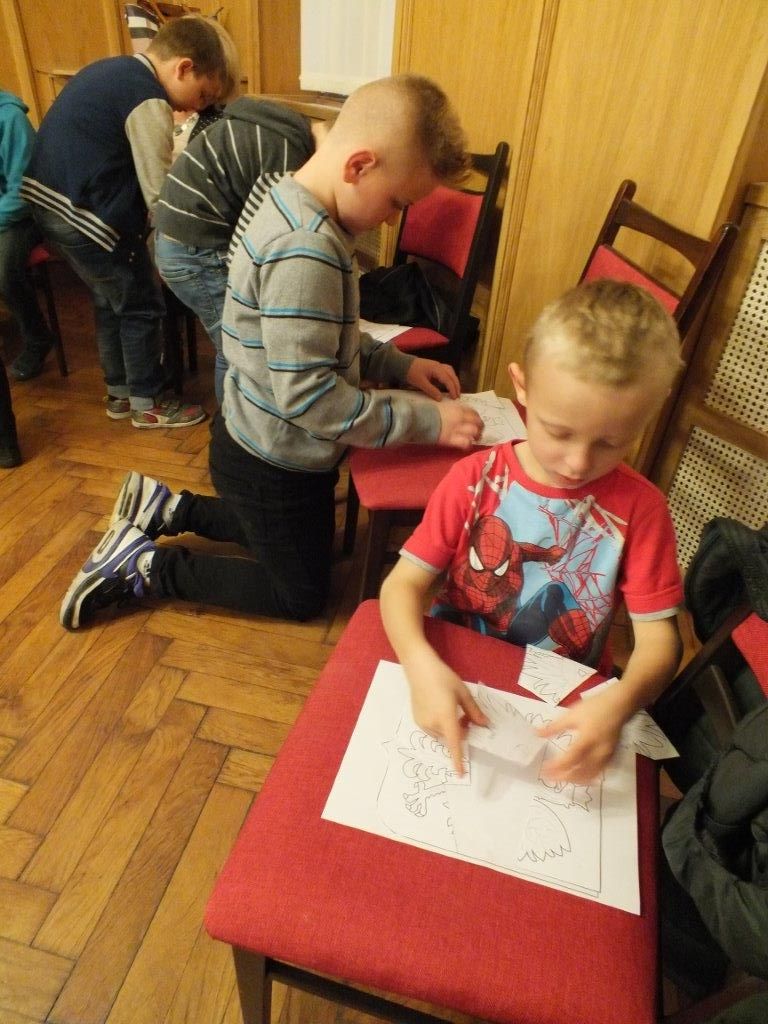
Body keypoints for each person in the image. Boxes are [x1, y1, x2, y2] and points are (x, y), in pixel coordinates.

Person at [59, 73, 484, 630]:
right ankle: (145, 566)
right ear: (359, 166)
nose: (389, 219)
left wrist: (397, 363)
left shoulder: (289, 194)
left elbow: (325, 335)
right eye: (395, 203)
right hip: (272, 459)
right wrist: (428, 422)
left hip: (262, 441)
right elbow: (311, 398)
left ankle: (168, 508)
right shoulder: (306, 249)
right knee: (300, 593)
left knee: (287, 538)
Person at [379, 279, 685, 783]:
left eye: (612, 442)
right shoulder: (473, 480)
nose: (578, 462)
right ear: (521, 386)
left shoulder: (643, 510)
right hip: (456, 669)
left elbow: (660, 643)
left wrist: (621, 702)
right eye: (558, 432)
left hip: (562, 701)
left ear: (651, 412)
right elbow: (400, 587)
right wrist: (418, 662)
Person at [19, 16, 237, 428]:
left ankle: (120, 392)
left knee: (111, 300)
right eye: (201, 95)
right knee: (142, 305)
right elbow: (160, 194)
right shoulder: (147, 97)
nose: (194, 108)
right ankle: (148, 403)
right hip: (87, 215)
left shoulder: (113, 68)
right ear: (184, 68)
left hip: (48, 207)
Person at [155, 97, 328, 403]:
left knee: (239, 343)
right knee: (238, 350)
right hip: (193, 250)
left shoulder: (281, 127)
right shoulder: (288, 158)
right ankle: (230, 425)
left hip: (176, 238)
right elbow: (256, 243)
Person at [0, 90, 56, 384]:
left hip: (20, 215)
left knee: (4, 272)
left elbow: (22, 193)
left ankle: (37, 338)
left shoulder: (10, 118)